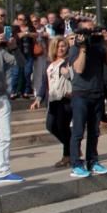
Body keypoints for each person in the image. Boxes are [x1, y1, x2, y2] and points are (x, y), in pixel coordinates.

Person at [66, 18, 107, 178]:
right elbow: (79, 69)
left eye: (92, 30)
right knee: (78, 131)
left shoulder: (99, 46)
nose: (91, 33)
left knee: (94, 131)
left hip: (97, 93)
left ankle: (92, 161)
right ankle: (76, 164)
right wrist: (82, 49)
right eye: (87, 30)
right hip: (81, 94)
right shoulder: (75, 48)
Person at [0, 25, 23, 183]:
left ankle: (3, 171)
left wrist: (14, 48)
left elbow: (20, 63)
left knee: (4, 136)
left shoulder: (0, 52)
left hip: (2, 97)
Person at [43, 36, 74, 168]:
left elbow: (74, 75)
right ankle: (73, 148)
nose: (61, 48)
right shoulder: (50, 63)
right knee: (51, 126)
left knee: (63, 127)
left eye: (63, 46)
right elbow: (45, 82)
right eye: (58, 46)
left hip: (65, 99)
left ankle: (68, 155)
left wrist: (67, 72)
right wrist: (39, 98)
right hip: (52, 99)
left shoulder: (69, 60)